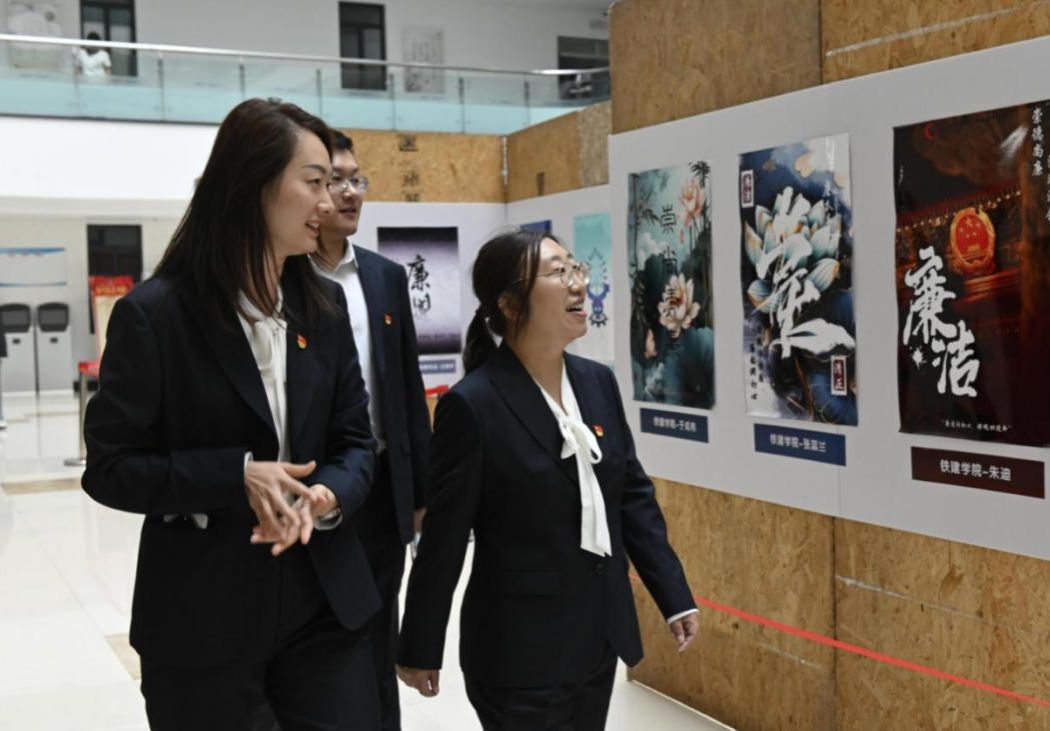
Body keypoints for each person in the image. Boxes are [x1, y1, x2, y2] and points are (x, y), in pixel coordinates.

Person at [82, 98, 382, 731]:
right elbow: (109, 469)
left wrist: (326, 495)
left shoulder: (323, 309)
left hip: (325, 608)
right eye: (314, 182)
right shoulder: (156, 316)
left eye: (332, 183)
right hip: (203, 620)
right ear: (254, 185)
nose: (329, 201)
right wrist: (235, 476)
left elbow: (357, 442)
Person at [396, 229, 700, 730]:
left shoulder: (596, 382)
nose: (578, 283)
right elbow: (444, 539)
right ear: (511, 303)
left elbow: (631, 496)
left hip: (597, 638)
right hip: (518, 654)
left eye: (576, 268)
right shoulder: (473, 405)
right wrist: (420, 645)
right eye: (559, 273)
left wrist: (673, 594)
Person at [311, 130, 432, 731]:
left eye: (357, 180)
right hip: (319, 485)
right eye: (335, 180)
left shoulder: (384, 277)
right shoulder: (286, 275)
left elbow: (407, 385)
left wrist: (420, 492)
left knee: (383, 625)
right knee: (331, 634)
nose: (350, 193)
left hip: (383, 483)